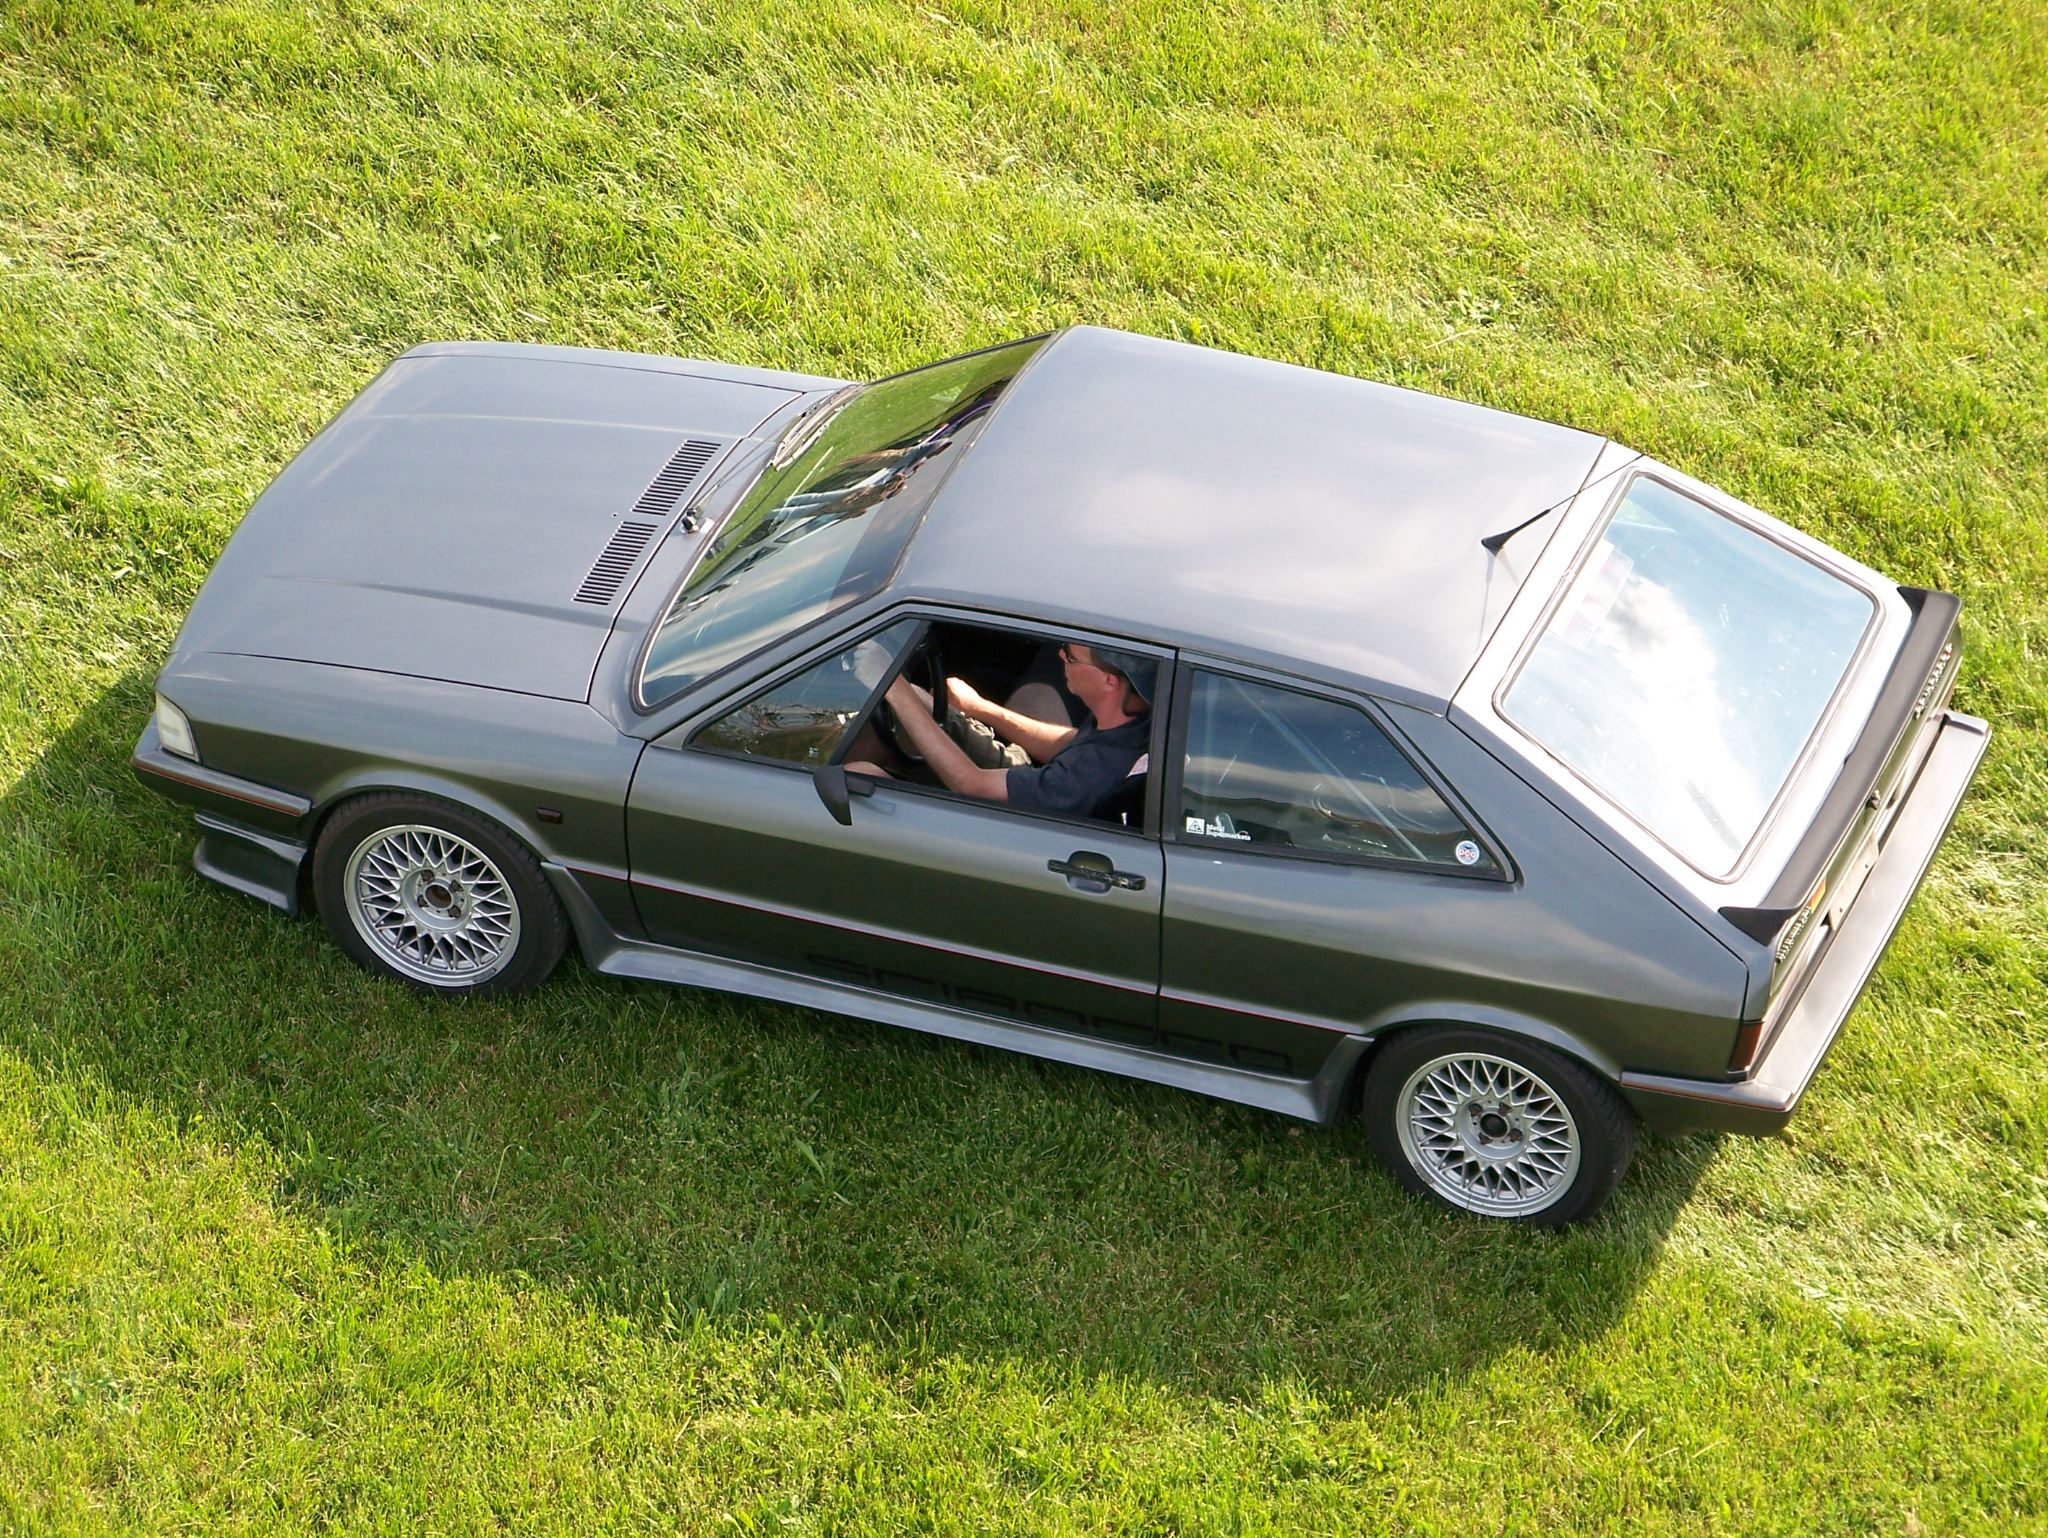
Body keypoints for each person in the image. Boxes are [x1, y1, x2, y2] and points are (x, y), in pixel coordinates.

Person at [849, 642, 1152, 822]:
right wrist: (979, 707)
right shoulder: (1133, 716)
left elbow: (970, 784)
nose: (1061, 654)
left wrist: (892, 684)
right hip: (1039, 782)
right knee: (922, 701)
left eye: (1071, 656)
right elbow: (1068, 743)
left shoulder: (1085, 777)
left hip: (1007, 831)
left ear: (1109, 682)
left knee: (860, 776)